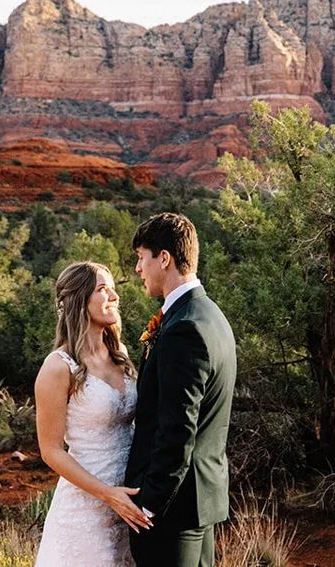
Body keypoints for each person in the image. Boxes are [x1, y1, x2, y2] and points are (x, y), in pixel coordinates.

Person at [124, 213, 236, 567]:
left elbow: (177, 431)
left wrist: (149, 504)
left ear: (165, 258)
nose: (139, 269)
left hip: (172, 512)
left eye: (142, 257)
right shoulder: (210, 314)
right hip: (199, 500)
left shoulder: (183, 329)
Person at [33, 261, 148, 567]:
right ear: (78, 301)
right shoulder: (58, 366)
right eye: (102, 288)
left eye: (112, 287)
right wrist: (107, 494)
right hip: (84, 512)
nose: (114, 295)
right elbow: (51, 451)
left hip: (129, 507)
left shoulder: (119, 355)